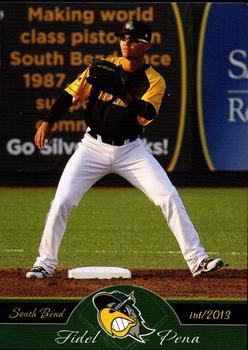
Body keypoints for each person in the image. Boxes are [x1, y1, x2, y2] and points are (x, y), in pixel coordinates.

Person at [26, 20, 223, 279]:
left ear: (146, 45)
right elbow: (69, 95)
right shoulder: (102, 68)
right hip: (92, 147)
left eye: (133, 39)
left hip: (131, 150)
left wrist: (123, 93)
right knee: (62, 200)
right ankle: (44, 264)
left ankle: (197, 260)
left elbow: (146, 114)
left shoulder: (154, 81)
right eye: (123, 38)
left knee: (168, 196)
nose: (126, 42)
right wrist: (48, 122)